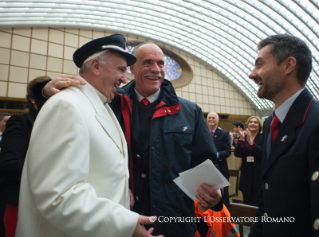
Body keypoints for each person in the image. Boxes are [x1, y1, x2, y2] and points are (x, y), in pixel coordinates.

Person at [33, 42, 223, 237]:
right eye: (147, 62)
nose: (156, 70)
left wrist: (216, 195)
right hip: (123, 219)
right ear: (132, 68)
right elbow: (68, 116)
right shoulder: (109, 102)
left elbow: (205, 161)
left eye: (161, 63)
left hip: (175, 221)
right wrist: (44, 95)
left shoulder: (190, 111)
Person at [16, 34, 162, 237]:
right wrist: (125, 223)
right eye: (120, 70)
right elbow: (59, 195)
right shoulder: (66, 106)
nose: (124, 78)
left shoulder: (100, 104)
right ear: (95, 66)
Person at [248, 34, 319, 237]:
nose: (252, 74)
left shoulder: (316, 123)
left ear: (288, 65)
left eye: (260, 65)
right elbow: (267, 199)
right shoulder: (271, 124)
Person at [0, 76, 50, 237]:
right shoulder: (20, 123)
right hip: (20, 204)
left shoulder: (55, 123)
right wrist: (52, 173)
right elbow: (10, 164)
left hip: (48, 205)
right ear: (32, 98)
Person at [234, 116, 262, 206]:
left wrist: (252, 144)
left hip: (258, 174)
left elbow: (263, 153)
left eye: (255, 122)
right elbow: (237, 154)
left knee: (258, 202)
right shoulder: (244, 137)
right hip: (246, 174)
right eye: (250, 122)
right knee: (247, 203)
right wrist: (241, 140)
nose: (253, 124)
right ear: (247, 124)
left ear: (259, 125)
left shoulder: (263, 137)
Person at [206, 112, 231, 209]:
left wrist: (215, 155)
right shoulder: (203, 132)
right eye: (209, 118)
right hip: (206, 171)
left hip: (221, 169)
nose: (211, 119)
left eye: (213, 118)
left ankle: (225, 221)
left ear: (218, 120)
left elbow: (228, 151)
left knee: (223, 198)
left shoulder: (224, 133)